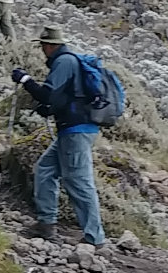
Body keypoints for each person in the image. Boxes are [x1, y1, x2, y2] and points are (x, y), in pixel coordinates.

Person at [11, 26, 105, 246]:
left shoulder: (64, 62)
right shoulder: (69, 61)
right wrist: (50, 109)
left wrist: (25, 80)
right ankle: (46, 224)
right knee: (45, 169)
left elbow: (48, 94)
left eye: (43, 45)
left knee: (79, 183)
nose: (42, 50)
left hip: (75, 131)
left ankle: (94, 238)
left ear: (50, 45)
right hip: (73, 129)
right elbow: (64, 98)